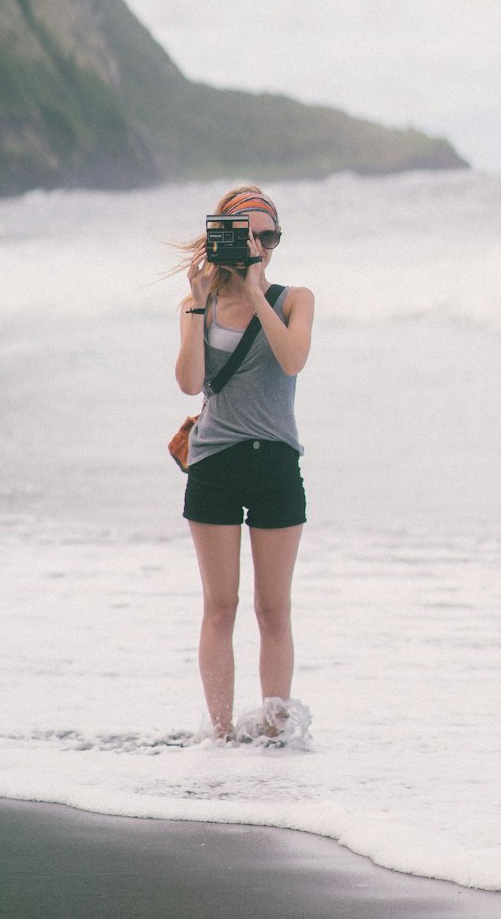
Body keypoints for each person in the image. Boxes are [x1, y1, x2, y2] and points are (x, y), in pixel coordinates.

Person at [174, 186, 315, 741]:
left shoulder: (294, 298)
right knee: (220, 606)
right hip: (215, 462)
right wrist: (196, 303)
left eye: (270, 237)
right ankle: (221, 733)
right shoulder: (198, 302)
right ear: (225, 238)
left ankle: (277, 731)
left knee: (273, 610)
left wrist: (256, 293)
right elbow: (189, 383)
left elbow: (293, 358)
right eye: (249, 236)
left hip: (277, 461)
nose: (260, 246)